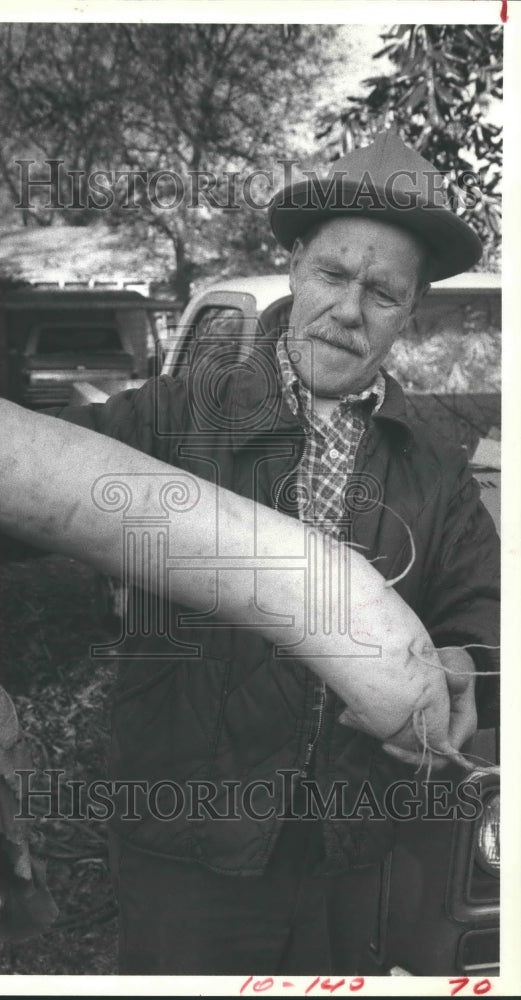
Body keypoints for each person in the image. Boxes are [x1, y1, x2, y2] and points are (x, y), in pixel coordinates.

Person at [51, 132, 500, 974]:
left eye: (382, 292)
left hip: (352, 842)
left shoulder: (434, 459)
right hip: (189, 834)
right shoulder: (172, 418)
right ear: (294, 265)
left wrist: (460, 653)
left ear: (410, 308)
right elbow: (34, 491)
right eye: (333, 275)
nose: (348, 310)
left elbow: (477, 600)